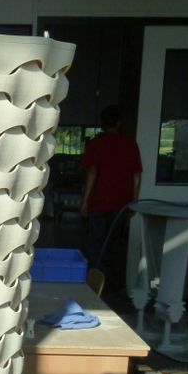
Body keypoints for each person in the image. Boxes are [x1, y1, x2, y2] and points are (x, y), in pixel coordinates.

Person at [80, 104, 142, 294]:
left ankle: (93, 288)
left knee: (96, 247)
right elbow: (136, 176)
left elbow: (91, 173)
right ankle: (116, 290)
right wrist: (134, 201)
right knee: (117, 249)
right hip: (121, 205)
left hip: (98, 203)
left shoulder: (96, 143)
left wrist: (85, 201)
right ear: (119, 123)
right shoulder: (130, 144)